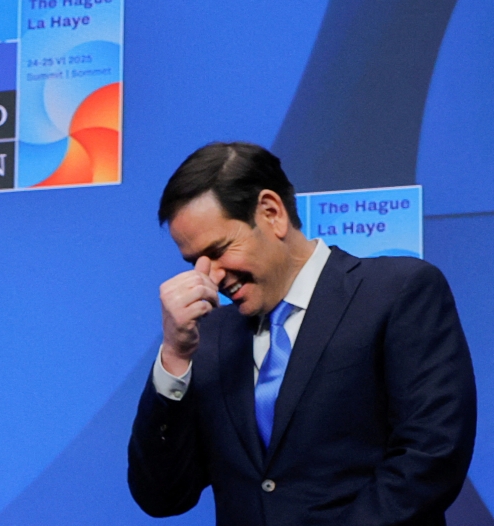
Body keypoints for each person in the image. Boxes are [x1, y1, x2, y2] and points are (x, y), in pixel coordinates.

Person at [127, 142, 475, 525]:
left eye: (220, 249)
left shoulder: (397, 292)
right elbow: (162, 495)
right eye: (195, 261)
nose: (210, 276)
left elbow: (431, 455)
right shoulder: (207, 338)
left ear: (271, 213)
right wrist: (175, 357)